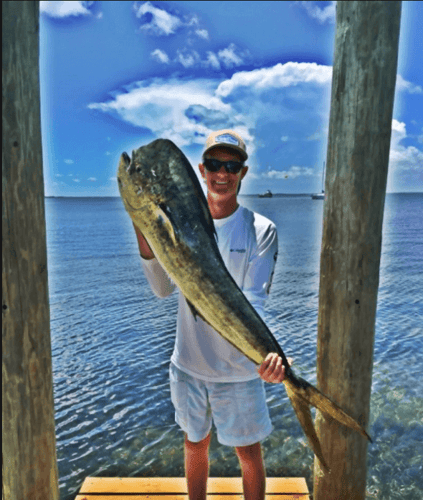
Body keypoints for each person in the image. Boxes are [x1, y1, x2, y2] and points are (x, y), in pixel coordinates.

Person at [132, 130, 287, 500]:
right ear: (201, 169)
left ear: (243, 172)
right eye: (215, 164)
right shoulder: (181, 220)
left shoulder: (261, 230)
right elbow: (162, 289)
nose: (222, 172)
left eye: (231, 165)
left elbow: (254, 301)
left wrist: (269, 356)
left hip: (239, 371)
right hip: (187, 364)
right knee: (193, 445)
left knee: (248, 453)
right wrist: (142, 224)